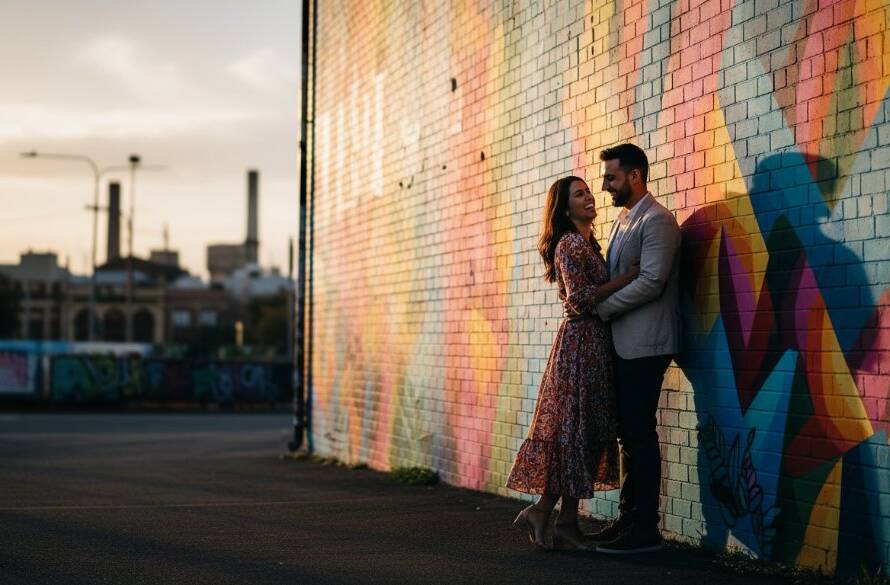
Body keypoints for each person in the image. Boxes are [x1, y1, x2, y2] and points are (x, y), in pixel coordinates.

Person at [507, 175, 640, 550]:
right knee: (573, 433)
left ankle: (563, 521)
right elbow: (580, 300)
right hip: (579, 346)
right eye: (579, 194)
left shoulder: (589, 243)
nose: (589, 197)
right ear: (565, 208)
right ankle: (546, 514)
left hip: (596, 345)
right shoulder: (568, 244)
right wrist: (628, 278)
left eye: (588, 191)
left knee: (585, 435)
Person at [586, 144, 681, 554]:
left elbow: (652, 281)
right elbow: (625, 275)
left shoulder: (658, 221)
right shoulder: (624, 220)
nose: (604, 185)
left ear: (635, 175)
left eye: (611, 177)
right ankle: (628, 520)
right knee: (630, 434)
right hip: (625, 345)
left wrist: (602, 309)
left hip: (647, 345)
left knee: (639, 435)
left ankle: (646, 530)